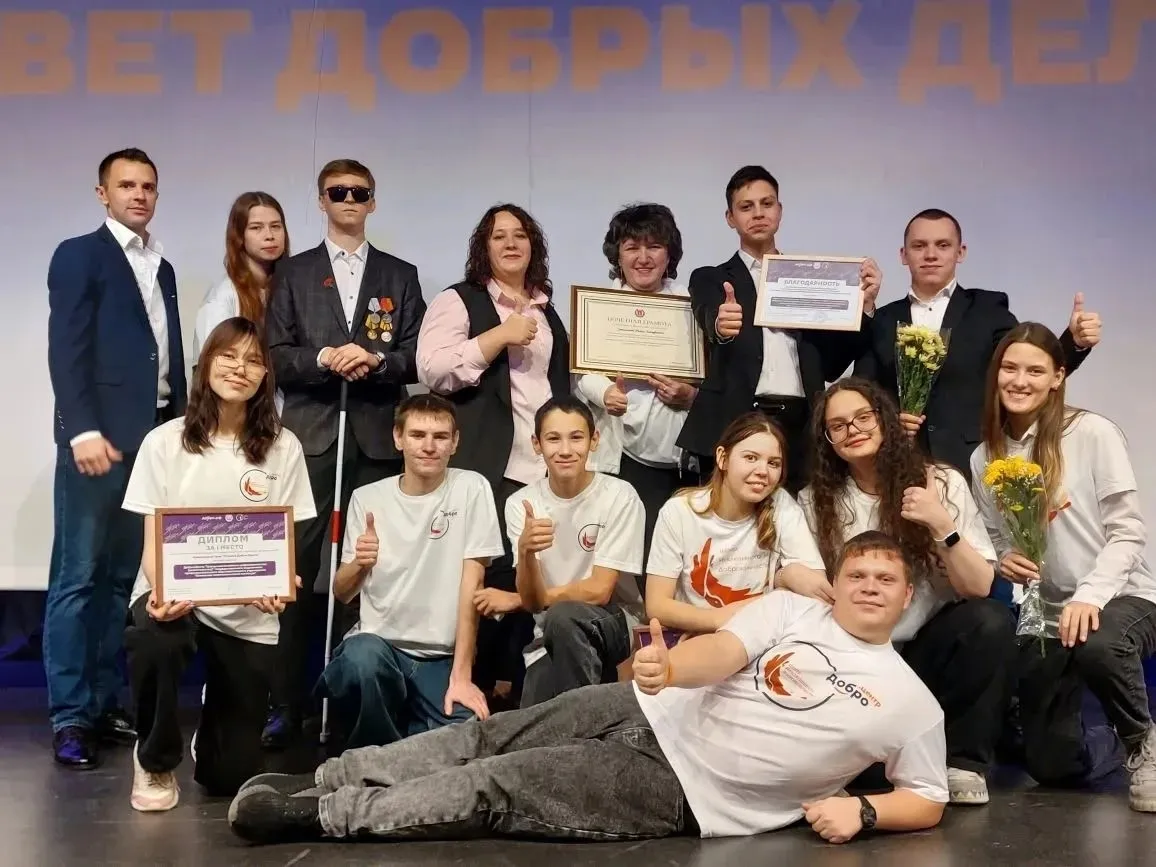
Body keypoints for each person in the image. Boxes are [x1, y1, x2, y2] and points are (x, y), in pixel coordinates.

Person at [226, 530, 947, 845]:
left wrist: (865, 812)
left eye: (885, 579)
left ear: (906, 592)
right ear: (836, 581)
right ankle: (327, 778)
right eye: (857, 574)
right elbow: (726, 650)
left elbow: (928, 794)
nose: (869, 586)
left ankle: (330, 818)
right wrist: (670, 670)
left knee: (498, 782)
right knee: (488, 734)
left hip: (684, 787)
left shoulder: (912, 701)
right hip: (649, 703)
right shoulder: (793, 608)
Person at [263, 158, 427, 747]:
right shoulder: (295, 273)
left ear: (373, 201)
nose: (350, 200)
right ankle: (286, 702)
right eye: (339, 192)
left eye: (360, 192)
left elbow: (416, 355)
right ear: (322, 200)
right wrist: (323, 358)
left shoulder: (399, 275)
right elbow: (276, 354)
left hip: (376, 437)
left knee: (369, 566)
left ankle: (355, 695)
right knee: (298, 571)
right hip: (312, 437)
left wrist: (377, 360)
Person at [119, 317, 315, 810]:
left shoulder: (284, 447)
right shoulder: (164, 442)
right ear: (205, 364)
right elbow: (153, 538)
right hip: (174, 598)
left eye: (253, 361)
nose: (240, 368)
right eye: (228, 356)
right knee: (155, 638)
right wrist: (161, 593)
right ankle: (154, 758)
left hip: (248, 609)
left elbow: (283, 540)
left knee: (229, 777)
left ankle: (212, 741)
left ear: (265, 376)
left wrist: (280, 583)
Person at [796, 377, 1011, 806]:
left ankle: (963, 762)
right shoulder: (814, 500)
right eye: (837, 425)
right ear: (827, 441)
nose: (852, 430)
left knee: (989, 621)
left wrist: (940, 524)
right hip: (856, 660)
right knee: (868, 775)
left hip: (925, 650)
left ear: (885, 420)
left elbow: (980, 587)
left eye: (863, 417)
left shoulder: (941, 483)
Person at [970, 322, 1156, 810]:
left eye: (1035, 371)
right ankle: (1105, 742)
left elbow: (1128, 532)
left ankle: (1144, 744)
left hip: (1122, 599)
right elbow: (993, 536)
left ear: (1058, 376)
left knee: (1099, 640)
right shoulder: (984, 456)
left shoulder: (1092, 432)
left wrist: (1091, 595)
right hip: (1048, 615)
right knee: (1051, 765)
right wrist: (1004, 558)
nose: (1019, 380)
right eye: (1010, 368)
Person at [43, 148, 188, 769]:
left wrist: (181, 428)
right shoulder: (80, 254)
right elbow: (66, 347)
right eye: (126, 185)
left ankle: (103, 703)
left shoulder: (162, 266)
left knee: (121, 580)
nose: (139, 195)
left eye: (148, 186)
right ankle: (70, 716)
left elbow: (165, 353)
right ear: (103, 193)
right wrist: (80, 429)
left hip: (152, 439)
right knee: (77, 577)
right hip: (96, 441)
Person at [416, 204, 571, 706]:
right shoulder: (459, 300)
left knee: (530, 586)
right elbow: (432, 369)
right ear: (483, 247)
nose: (510, 243)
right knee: (479, 585)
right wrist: (499, 336)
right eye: (498, 236)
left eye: (520, 235)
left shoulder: (547, 310)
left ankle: (520, 704)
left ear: (533, 245)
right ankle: (467, 698)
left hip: (541, 469)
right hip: (488, 466)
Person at [677, 165, 881, 491]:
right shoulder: (710, 277)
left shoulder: (811, 279)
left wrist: (864, 306)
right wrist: (719, 324)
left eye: (767, 204)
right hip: (735, 419)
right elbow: (708, 314)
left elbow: (831, 365)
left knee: (799, 516)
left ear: (780, 211)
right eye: (746, 207)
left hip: (802, 427)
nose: (758, 213)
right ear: (730, 217)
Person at [854, 208, 1102, 477]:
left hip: (976, 466)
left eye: (943, 245)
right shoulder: (881, 319)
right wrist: (890, 422)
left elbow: (1027, 366)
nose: (930, 254)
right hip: (899, 469)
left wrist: (1074, 342)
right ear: (903, 255)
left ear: (960, 252)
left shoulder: (988, 308)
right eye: (919, 246)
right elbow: (860, 393)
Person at [315, 393, 502, 748]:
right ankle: (381, 752)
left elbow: (472, 587)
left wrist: (462, 677)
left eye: (440, 436)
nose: (429, 446)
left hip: (439, 657)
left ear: (455, 442)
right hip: (379, 648)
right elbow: (342, 591)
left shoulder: (472, 487)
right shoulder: (368, 497)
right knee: (361, 660)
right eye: (417, 435)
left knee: (465, 740)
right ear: (398, 438)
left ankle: (405, 739)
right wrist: (360, 564)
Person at [576, 203, 696, 569]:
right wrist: (604, 393)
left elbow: (712, 378)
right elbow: (581, 372)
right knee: (630, 562)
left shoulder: (691, 306)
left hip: (683, 462)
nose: (643, 258)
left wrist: (691, 396)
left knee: (680, 561)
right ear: (618, 255)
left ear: (669, 254)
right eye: (632, 247)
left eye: (654, 246)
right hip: (625, 458)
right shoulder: (599, 305)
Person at [506, 396, 645, 706]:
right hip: (549, 632)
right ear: (537, 444)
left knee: (563, 615)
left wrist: (532, 600)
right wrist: (525, 552)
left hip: (616, 623)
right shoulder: (521, 504)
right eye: (553, 438)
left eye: (576, 437)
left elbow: (600, 590)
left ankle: (581, 719)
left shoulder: (619, 495)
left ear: (594, 440)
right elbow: (532, 601)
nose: (566, 450)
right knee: (533, 714)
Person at [645, 412, 826, 637]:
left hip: (761, 635)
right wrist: (719, 620)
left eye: (773, 463)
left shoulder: (780, 504)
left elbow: (816, 590)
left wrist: (786, 575)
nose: (763, 471)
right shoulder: (679, 512)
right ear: (723, 458)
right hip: (698, 633)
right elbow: (657, 605)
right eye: (750, 458)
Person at [193, 191, 290, 357]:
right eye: (256, 227)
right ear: (239, 236)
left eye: (275, 226)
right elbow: (214, 363)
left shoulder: (292, 287)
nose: (269, 236)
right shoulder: (222, 296)